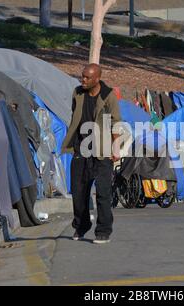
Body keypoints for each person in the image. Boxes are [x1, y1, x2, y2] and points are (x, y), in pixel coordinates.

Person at [61, 64, 121, 244]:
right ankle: (81, 225)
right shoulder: (77, 93)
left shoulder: (108, 95)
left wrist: (115, 146)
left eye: (87, 78)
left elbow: (116, 122)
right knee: (79, 192)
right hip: (82, 148)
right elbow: (75, 116)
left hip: (102, 150)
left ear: (97, 79)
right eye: (82, 76)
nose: (83, 80)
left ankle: (103, 230)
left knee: (103, 192)